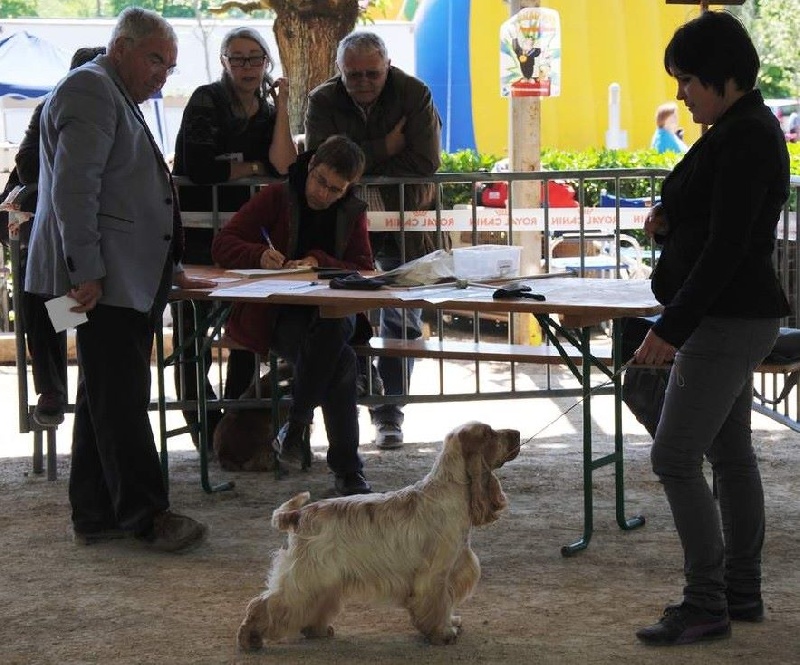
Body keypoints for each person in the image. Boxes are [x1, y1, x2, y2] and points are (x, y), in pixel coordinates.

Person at [24, 7, 211, 552]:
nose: (162, 75)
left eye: (170, 67)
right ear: (122, 47)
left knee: (104, 392)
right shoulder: (91, 89)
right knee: (121, 396)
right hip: (99, 280)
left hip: (116, 278)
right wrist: (86, 272)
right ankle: (148, 515)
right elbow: (74, 189)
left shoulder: (112, 92)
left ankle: (95, 512)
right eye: (156, 60)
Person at [634, 11, 791, 646]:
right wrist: (670, 221)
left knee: (673, 456)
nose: (680, 95)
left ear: (723, 77)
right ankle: (739, 590)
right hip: (732, 315)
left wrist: (670, 328)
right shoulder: (741, 125)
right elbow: (717, 221)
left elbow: (728, 247)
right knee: (729, 455)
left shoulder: (745, 134)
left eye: (687, 80)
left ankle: (705, 600)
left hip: (726, 318)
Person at [211, 135, 374, 496]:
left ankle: (297, 427)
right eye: (320, 181)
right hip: (281, 313)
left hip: (335, 310)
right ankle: (346, 469)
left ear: (349, 188)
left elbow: (363, 267)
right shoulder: (276, 196)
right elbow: (222, 244)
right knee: (342, 363)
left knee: (335, 329)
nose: (323, 194)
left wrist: (318, 261)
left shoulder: (352, 211)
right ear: (310, 165)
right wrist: (257, 255)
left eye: (335, 189)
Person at [305, 30, 444, 450]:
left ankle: (389, 411)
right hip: (345, 224)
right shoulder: (322, 100)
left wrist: (355, 162)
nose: (363, 82)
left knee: (402, 319)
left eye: (373, 74)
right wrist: (386, 146)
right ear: (339, 71)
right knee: (346, 318)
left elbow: (425, 161)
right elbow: (322, 162)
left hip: (405, 223)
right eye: (354, 75)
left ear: (388, 67)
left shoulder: (414, 92)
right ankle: (358, 401)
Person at [171, 26, 297, 446]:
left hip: (245, 235)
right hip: (196, 234)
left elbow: (284, 166)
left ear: (266, 62)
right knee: (193, 336)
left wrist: (283, 108)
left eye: (255, 58)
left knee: (245, 331)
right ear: (224, 62)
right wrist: (253, 167)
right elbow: (200, 167)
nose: (247, 66)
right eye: (237, 58)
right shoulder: (206, 99)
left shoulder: (267, 109)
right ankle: (205, 428)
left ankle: (234, 426)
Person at [0, 46, 106, 428]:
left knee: (72, 306)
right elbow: (28, 165)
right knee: (43, 295)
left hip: (105, 241)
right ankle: (53, 389)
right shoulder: (51, 108)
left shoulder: (122, 112)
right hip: (56, 239)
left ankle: (83, 387)